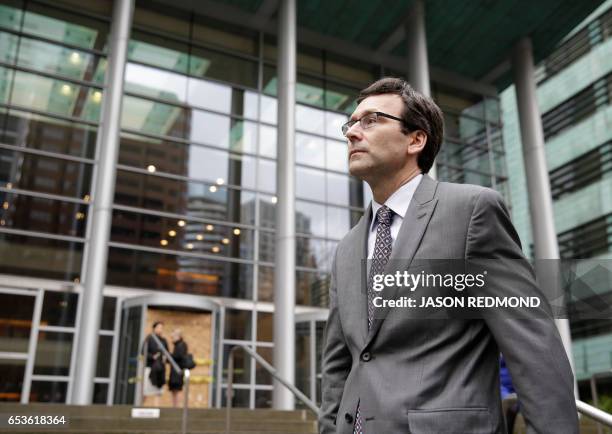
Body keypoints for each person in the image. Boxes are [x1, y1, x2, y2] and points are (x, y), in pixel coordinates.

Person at [319, 77, 578, 434]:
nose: (352, 133)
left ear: (415, 139)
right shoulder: (348, 247)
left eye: (371, 120)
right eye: (351, 123)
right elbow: (339, 363)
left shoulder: (471, 211)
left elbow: (533, 346)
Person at [142, 321, 168, 407]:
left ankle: (156, 408)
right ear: (154, 328)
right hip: (150, 367)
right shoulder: (149, 338)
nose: (160, 329)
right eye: (159, 327)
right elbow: (143, 352)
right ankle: (141, 406)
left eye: (162, 328)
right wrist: (153, 356)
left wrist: (165, 358)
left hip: (160, 368)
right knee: (146, 389)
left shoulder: (164, 341)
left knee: (158, 391)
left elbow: (167, 353)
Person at [168, 329, 188, 408]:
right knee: (174, 389)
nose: (172, 338)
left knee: (177, 389)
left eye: (174, 336)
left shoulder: (181, 345)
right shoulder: (178, 345)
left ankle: (177, 406)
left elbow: (179, 356)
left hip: (178, 370)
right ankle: (175, 406)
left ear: (179, 336)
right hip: (176, 370)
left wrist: (170, 356)